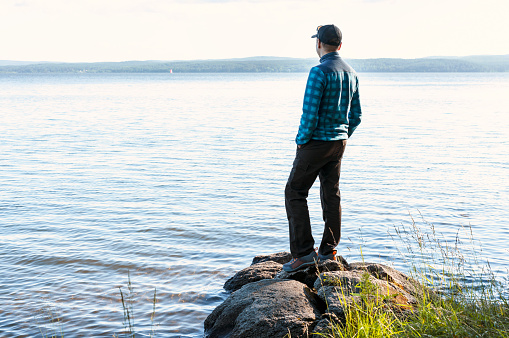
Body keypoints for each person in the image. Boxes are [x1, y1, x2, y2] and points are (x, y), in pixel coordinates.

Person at [283, 24, 362, 272]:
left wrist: (301, 141)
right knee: (331, 195)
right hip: (339, 143)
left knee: (294, 191)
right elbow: (356, 115)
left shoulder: (318, 72)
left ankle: (304, 253)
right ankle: (329, 252)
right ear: (340, 45)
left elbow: (310, 114)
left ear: (318, 43)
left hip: (315, 143)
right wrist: (342, 134)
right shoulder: (352, 73)